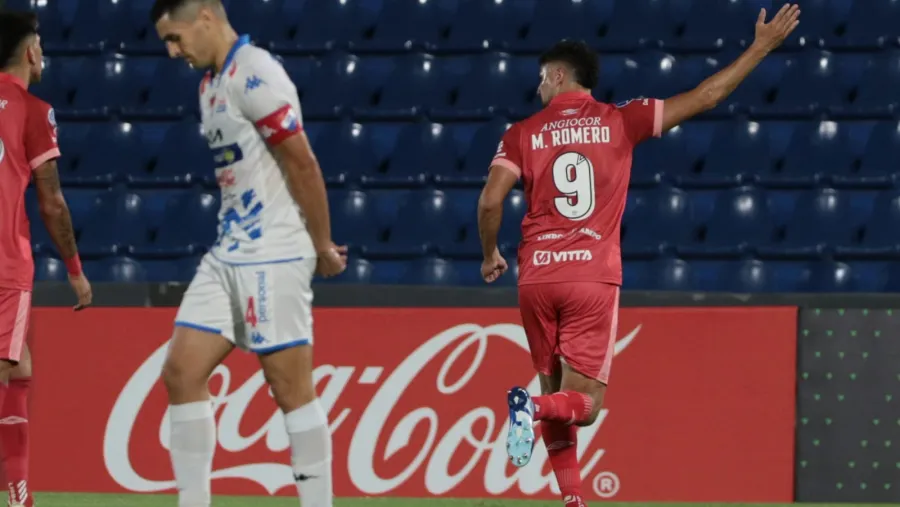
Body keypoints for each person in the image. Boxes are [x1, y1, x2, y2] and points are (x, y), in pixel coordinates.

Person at [477, 5, 800, 506]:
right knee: (585, 405)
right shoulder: (620, 119)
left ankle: (572, 498)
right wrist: (760, 48)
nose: (538, 88)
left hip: (536, 278)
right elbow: (707, 96)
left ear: (559, 75)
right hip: (591, 278)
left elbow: (490, 201)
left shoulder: (521, 133)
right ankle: (533, 409)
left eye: (541, 78)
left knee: (556, 393)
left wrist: (489, 255)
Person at [150, 1, 347, 506]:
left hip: (274, 253)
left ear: (205, 18)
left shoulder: (255, 72)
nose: (172, 52)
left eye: (175, 37)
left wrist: (322, 243)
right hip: (228, 252)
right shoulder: (209, 85)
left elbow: (302, 162)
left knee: (290, 390)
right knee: (181, 372)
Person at [0, 10, 92, 507]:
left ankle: (20, 496)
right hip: (4, 264)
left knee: (19, 366)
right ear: (30, 51)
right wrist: (75, 270)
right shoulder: (33, 110)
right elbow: (51, 201)